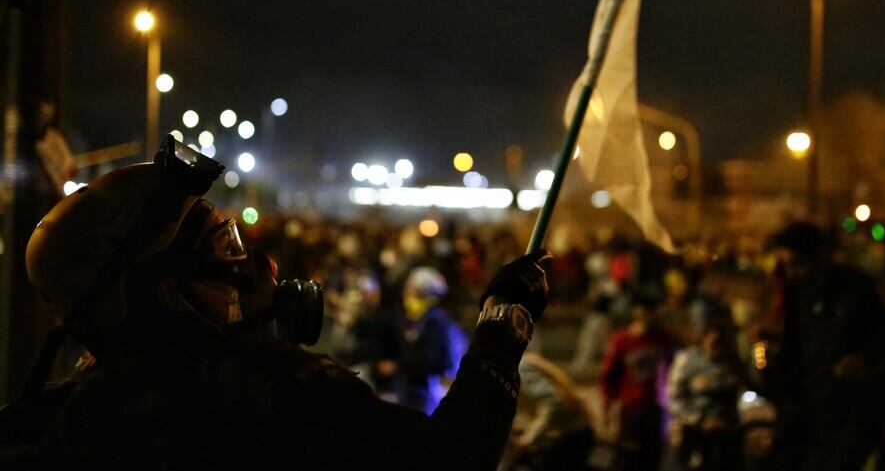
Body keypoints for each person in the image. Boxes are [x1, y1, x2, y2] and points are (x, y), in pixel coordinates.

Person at [5, 137, 552, 470]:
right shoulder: (278, 394)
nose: (262, 265)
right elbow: (451, 458)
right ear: (169, 295)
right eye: (225, 247)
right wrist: (504, 322)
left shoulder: (80, 412)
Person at [769, 222, 885, 471]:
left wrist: (865, 362)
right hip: (810, 412)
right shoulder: (796, 294)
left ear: (817, 257)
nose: (792, 272)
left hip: (849, 411)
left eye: (797, 263)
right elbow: (794, 348)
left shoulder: (855, 290)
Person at [599, 301, 668, 471]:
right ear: (637, 316)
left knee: (653, 457)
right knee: (628, 457)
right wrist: (608, 407)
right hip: (630, 408)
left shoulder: (661, 339)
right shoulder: (622, 340)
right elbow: (608, 375)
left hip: (654, 407)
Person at [666, 323, 742, 471]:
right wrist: (699, 420)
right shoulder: (687, 361)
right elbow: (674, 399)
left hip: (726, 434)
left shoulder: (731, 361)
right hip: (695, 435)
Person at [397, 266, 467, 413]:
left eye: (411, 290)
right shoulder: (422, 319)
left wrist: (400, 365)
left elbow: (429, 361)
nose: (406, 294)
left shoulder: (434, 321)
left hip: (427, 392)